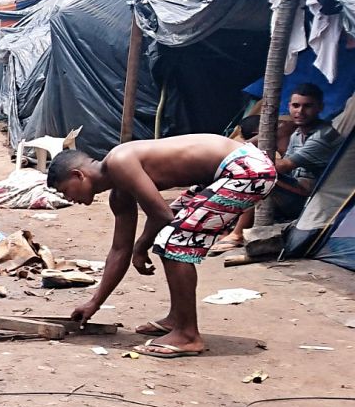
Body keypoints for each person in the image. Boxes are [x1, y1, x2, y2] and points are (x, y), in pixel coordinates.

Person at [47, 134, 277, 358]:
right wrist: (94, 302)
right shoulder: (119, 194)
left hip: (248, 169)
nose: (68, 198)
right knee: (172, 235)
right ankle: (178, 319)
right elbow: (119, 250)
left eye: (64, 190)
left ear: (78, 175)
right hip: (232, 171)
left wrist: (141, 246)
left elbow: (162, 215)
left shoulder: (119, 161)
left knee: (174, 240)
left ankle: (187, 335)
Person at [212, 83, 342, 254]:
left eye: (307, 106)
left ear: (320, 108)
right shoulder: (297, 134)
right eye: (296, 106)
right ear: (289, 107)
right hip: (295, 190)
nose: (300, 112)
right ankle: (224, 229)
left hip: (311, 200)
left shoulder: (323, 136)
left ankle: (237, 235)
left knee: (257, 176)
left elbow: (284, 166)